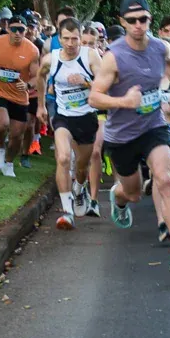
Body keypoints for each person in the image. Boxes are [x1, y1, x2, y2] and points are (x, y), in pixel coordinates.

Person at [86, 0, 170, 272]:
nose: (138, 25)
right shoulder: (114, 56)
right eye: (131, 21)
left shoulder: (159, 48)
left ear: (150, 20)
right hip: (121, 136)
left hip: (153, 126)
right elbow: (94, 98)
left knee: (165, 178)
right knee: (133, 194)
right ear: (123, 22)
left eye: (143, 19)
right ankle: (118, 197)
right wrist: (123, 102)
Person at [37, 18, 102, 228]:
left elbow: (103, 86)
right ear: (59, 38)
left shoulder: (90, 56)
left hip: (87, 117)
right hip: (63, 116)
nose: (71, 43)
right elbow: (40, 77)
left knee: (82, 166)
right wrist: (41, 106)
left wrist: (85, 82)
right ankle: (67, 212)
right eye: (66, 39)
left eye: (75, 39)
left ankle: (80, 187)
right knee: (64, 158)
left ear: (81, 38)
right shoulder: (51, 59)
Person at [0, 13, 40, 177]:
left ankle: (9, 163)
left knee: (17, 135)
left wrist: (28, 84)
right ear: (8, 28)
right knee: (2, 124)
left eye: (21, 30)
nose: (17, 33)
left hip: (19, 95)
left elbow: (37, 76)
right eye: (14, 29)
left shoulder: (32, 50)